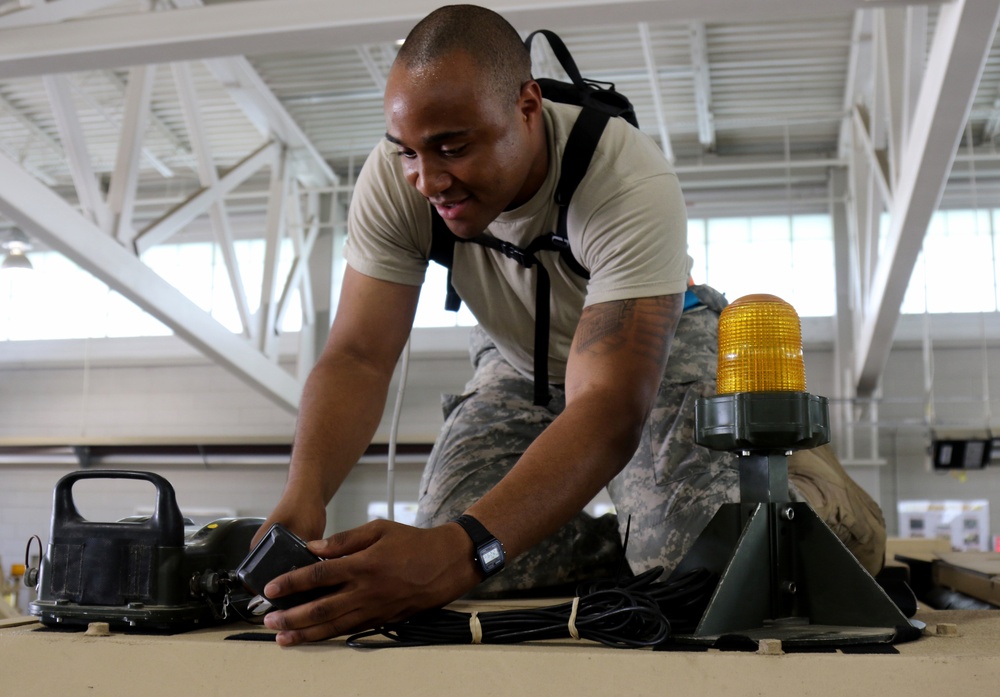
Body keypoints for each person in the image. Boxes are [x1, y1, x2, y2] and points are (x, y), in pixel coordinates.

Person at [253, 4, 886, 646]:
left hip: (651, 357)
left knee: (703, 566)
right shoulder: (398, 179)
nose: (428, 180)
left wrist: (463, 549)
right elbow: (359, 355)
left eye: (453, 148)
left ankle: (801, 511)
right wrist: (303, 494)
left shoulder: (625, 180)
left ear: (527, 106)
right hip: (516, 363)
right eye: (408, 152)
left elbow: (607, 405)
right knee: (458, 553)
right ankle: (638, 535)